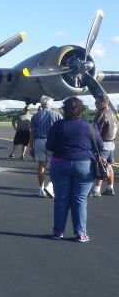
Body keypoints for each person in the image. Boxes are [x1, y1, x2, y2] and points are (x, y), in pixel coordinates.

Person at [46, 97, 102, 242]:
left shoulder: (58, 125)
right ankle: (80, 233)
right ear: (82, 109)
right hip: (84, 165)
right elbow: (100, 146)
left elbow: (49, 146)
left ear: (65, 110)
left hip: (60, 164)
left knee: (61, 199)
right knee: (80, 199)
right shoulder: (90, 125)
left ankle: (57, 232)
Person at [28, 96, 62, 197]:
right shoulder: (57, 115)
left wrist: (31, 145)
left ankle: (41, 189)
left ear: (41, 105)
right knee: (54, 166)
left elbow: (32, 133)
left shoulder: (35, 116)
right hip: (53, 142)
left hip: (39, 142)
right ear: (50, 104)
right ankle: (51, 186)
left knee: (41, 166)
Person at [90, 95, 117, 197]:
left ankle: (97, 190)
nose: (95, 104)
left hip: (103, 144)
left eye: (96, 102)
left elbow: (95, 131)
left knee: (100, 166)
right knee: (109, 166)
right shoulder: (112, 113)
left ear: (102, 103)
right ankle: (110, 188)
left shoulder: (102, 113)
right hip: (111, 143)